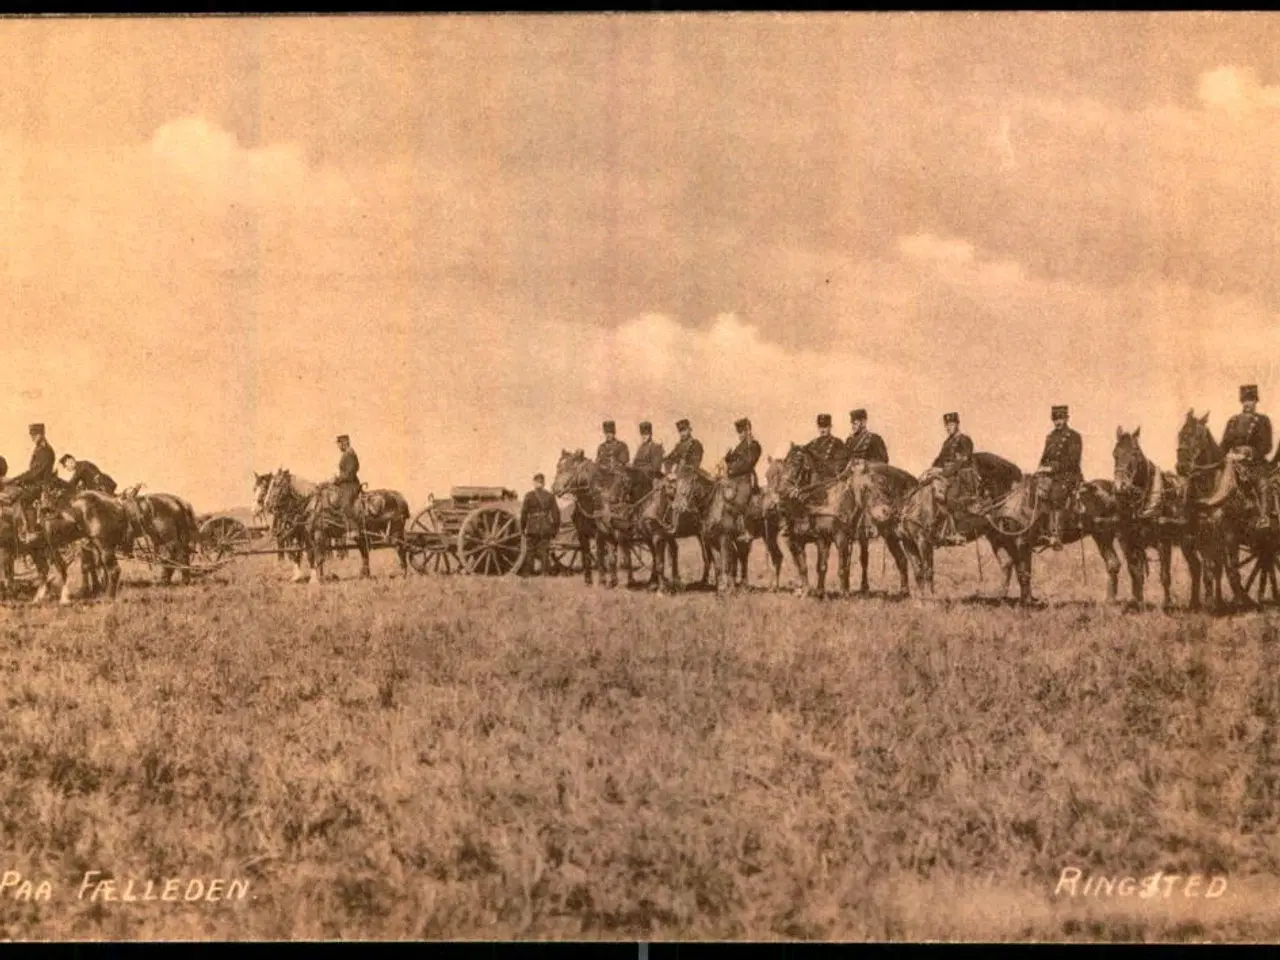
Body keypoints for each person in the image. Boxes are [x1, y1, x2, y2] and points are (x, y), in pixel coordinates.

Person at [921, 412, 976, 546]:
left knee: (950, 498)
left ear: (957, 424)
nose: (948, 428)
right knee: (926, 489)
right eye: (947, 425)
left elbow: (961, 462)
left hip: (961, 477)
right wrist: (931, 470)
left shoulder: (964, 440)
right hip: (948, 476)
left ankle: (956, 532)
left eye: (951, 424)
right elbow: (940, 459)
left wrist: (942, 472)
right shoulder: (947, 442)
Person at [1222, 384, 1273, 526]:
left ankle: (1264, 517)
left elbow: (1266, 446)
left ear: (1256, 401)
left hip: (1255, 464)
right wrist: (1225, 455)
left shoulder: (1263, 420)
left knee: (1263, 484)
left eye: (1250, 400)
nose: (1247, 403)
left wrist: (1248, 453)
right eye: (1244, 400)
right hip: (1233, 463)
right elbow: (1224, 444)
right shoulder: (1232, 421)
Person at [1035, 405, 1083, 549]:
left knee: (1056, 494)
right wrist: (1040, 469)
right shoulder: (1050, 437)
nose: (1058, 422)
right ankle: (1039, 529)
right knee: (1034, 491)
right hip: (1050, 476)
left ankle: (1056, 535)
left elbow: (1073, 461)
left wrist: (1052, 468)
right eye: (1055, 419)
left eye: (1061, 418)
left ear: (1066, 418)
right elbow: (1044, 457)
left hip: (1068, 476)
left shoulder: (1074, 436)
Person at [9, 424, 57, 545]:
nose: (32, 438)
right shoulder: (39, 449)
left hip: (42, 485)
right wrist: (15, 479)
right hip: (36, 483)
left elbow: (36, 473)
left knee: (22, 499)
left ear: (41, 434)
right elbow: (32, 471)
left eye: (35, 435)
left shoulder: (45, 450)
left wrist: (18, 480)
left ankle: (32, 531)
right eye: (32, 435)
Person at [521, 473, 561, 576]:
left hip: (532, 527)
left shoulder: (529, 495)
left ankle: (529, 572)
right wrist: (554, 529)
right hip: (545, 526)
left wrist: (522, 528)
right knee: (544, 549)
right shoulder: (550, 496)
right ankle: (544, 572)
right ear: (543, 483)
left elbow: (524, 513)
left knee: (530, 550)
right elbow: (556, 514)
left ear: (534, 483)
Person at [332, 434, 363, 534]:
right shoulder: (346, 454)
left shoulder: (349, 454)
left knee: (344, 503)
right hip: (345, 484)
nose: (338, 446)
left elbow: (350, 473)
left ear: (344, 443)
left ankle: (354, 528)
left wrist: (337, 480)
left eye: (339, 444)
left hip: (351, 485)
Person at [724, 418, 763, 491]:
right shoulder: (739, 447)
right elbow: (732, 461)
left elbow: (748, 463)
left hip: (745, 481)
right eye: (739, 432)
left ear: (747, 431)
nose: (739, 435)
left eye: (741, 432)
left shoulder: (753, 445)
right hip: (734, 480)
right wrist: (728, 457)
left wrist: (732, 470)